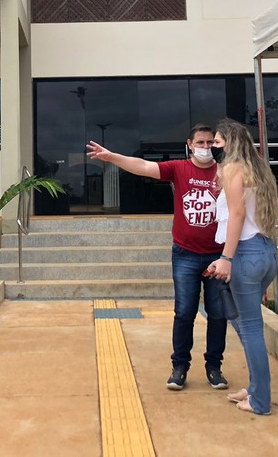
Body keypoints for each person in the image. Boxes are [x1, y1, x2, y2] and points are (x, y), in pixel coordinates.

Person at [87, 124, 228, 391]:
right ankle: (179, 367)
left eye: (211, 143)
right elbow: (142, 166)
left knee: (218, 314)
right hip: (185, 254)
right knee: (184, 312)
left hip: (216, 255)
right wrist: (111, 156)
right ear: (190, 144)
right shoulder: (179, 168)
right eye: (201, 142)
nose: (206, 148)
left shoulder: (225, 171)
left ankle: (214, 367)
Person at [205, 119, 278, 415]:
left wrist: (227, 257)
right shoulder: (257, 170)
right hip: (265, 252)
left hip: (245, 255)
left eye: (217, 143)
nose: (212, 148)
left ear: (230, 144)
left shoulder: (233, 169)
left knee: (249, 328)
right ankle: (255, 388)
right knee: (242, 323)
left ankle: (261, 402)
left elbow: (236, 214)